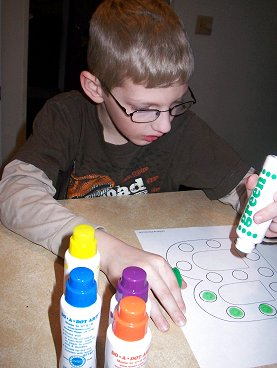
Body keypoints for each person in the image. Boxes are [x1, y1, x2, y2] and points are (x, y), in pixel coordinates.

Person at [0, 0, 276, 333]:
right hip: (73, 274)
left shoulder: (182, 129)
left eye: (175, 104)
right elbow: (13, 194)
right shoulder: (66, 117)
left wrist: (259, 212)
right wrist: (107, 251)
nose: (164, 127)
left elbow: (240, 185)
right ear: (96, 88)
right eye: (145, 109)